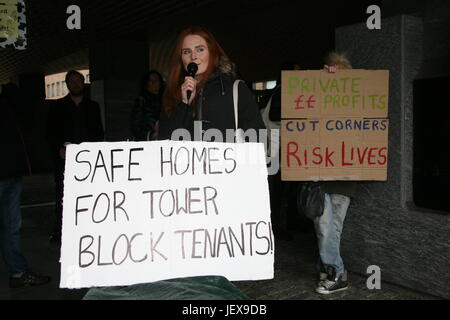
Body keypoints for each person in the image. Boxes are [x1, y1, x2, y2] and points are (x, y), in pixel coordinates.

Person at [158, 26, 265, 142]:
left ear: (212, 53)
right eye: (187, 51)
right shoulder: (173, 92)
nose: (193, 57)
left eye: (200, 50)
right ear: (181, 58)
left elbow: (260, 140)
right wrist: (184, 105)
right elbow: (164, 143)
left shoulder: (235, 89)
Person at [313, 52, 357, 294]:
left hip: (343, 179)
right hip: (320, 176)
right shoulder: (320, 102)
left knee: (330, 227)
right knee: (324, 225)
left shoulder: (356, 103)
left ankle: (335, 271)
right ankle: (334, 269)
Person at [0, 83, 51, 288]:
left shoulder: (8, 102)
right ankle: (18, 272)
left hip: (12, 173)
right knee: (11, 227)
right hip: (9, 173)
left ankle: (18, 272)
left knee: (11, 227)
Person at [45, 70, 104, 243]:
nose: (75, 84)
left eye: (78, 81)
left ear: (83, 83)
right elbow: (49, 134)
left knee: (89, 195)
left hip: (88, 161)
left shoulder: (93, 106)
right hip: (65, 160)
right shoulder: (57, 107)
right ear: (67, 84)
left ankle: (88, 231)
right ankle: (60, 233)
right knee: (63, 197)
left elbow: (99, 133)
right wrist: (59, 148)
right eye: (72, 82)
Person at [131, 70, 165, 141]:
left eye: (156, 80)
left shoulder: (166, 100)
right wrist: (151, 135)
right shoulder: (141, 101)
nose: (153, 82)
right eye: (151, 80)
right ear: (146, 83)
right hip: (147, 142)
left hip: (164, 138)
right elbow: (135, 127)